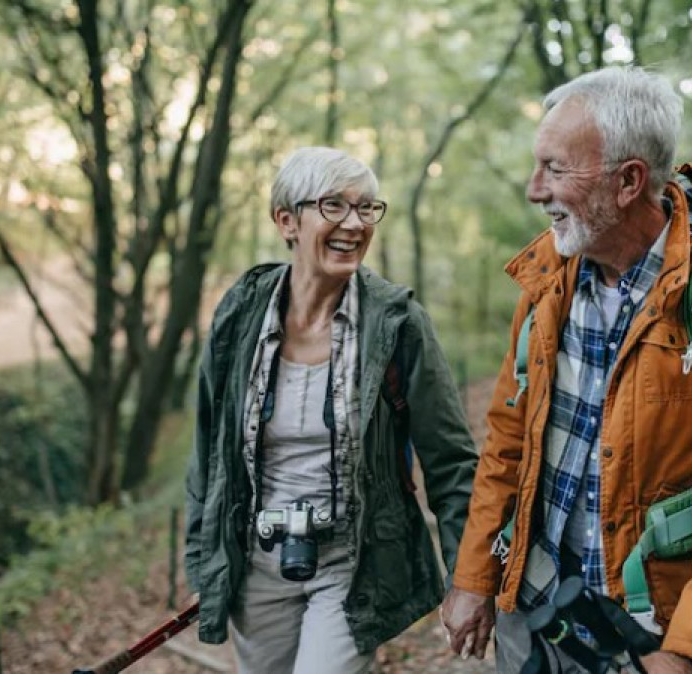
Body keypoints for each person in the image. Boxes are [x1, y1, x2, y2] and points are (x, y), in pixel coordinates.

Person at [440, 66, 692, 674]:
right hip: (539, 609)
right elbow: (507, 442)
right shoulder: (548, 277)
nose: (535, 190)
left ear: (628, 181)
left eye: (555, 169)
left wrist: (688, 649)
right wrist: (475, 575)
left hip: (656, 629)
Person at [185, 147, 478, 674]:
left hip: (353, 559)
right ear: (287, 221)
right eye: (334, 206)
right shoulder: (240, 313)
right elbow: (208, 450)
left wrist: (468, 578)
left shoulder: (397, 323)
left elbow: (451, 461)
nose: (356, 223)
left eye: (366, 208)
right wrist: (203, 560)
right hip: (257, 558)